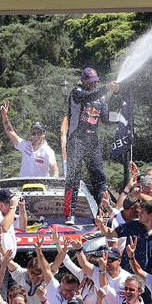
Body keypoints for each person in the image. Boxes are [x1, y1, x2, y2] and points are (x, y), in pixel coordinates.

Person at [63, 67, 119, 224]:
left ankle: (103, 212)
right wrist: (106, 88)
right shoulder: (77, 92)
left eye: (96, 82)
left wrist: (115, 96)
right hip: (76, 139)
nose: (94, 85)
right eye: (91, 82)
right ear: (83, 81)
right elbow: (90, 96)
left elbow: (107, 119)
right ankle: (70, 215)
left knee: (99, 176)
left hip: (92, 141)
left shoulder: (101, 99)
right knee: (74, 177)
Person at [0, 101, 59, 177]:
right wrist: (4, 116)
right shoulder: (25, 145)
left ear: (44, 134)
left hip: (41, 187)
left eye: (39, 133)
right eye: (33, 133)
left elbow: (54, 167)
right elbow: (10, 132)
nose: (36, 136)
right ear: (30, 134)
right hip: (23, 185)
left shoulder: (47, 151)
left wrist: (55, 178)